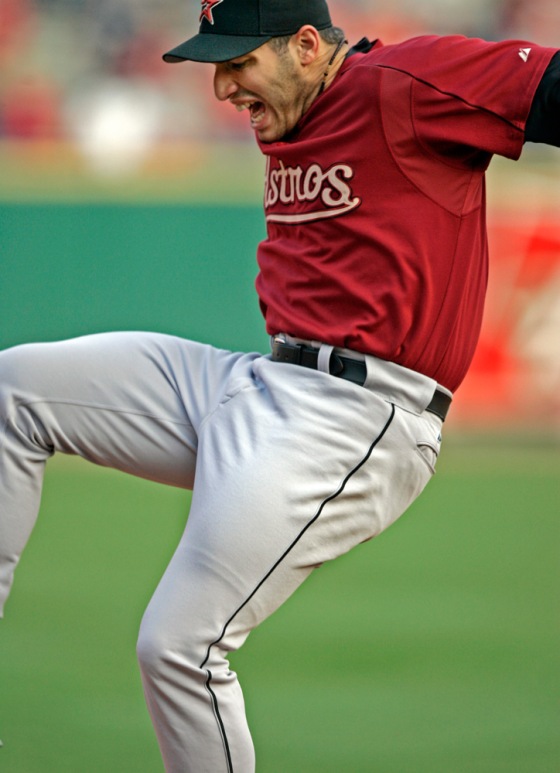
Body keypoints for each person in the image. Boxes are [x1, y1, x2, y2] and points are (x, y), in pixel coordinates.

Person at [1, 0, 558, 770]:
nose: (224, 87)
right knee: (13, 389)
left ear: (305, 45)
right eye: (217, 66)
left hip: (356, 415)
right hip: (258, 379)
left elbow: (546, 89)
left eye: (239, 63)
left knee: (179, 645)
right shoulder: (295, 104)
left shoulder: (403, 82)